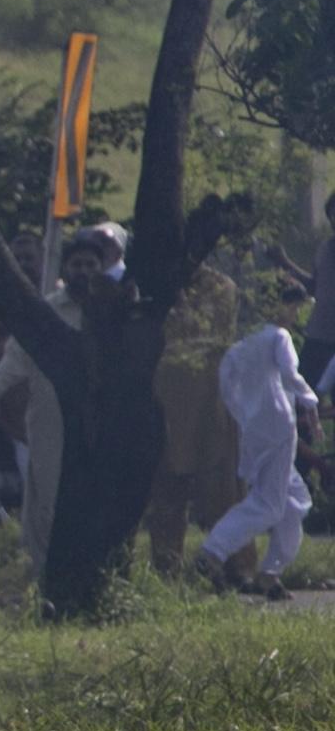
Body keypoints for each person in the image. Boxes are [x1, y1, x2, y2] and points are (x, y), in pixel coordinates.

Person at [0, 237, 97, 572]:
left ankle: (92, 569)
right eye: (77, 265)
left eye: (90, 265)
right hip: (49, 417)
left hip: (100, 416)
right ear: (64, 270)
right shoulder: (45, 311)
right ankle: (48, 572)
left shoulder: (110, 311)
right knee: (48, 493)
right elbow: (14, 360)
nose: (84, 272)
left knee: (95, 496)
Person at [198, 303, 321, 597]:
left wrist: (245, 416)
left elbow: (227, 390)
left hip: (254, 428)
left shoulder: (238, 348)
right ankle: (213, 551)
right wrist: (311, 403)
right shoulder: (279, 336)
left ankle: (271, 573)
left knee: (295, 499)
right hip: (280, 424)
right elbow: (290, 373)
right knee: (269, 502)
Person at [147, 243, 247, 578]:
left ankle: (236, 571)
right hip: (163, 400)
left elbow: (204, 335)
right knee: (166, 491)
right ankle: (166, 571)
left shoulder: (221, 288)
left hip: (209, 401)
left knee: (222, 490)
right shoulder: (151, 285)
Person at [300, 193, 335, 383]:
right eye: (333, 214)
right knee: (303, 390)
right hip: (319, 333)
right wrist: (284, 263)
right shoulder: (324, 248)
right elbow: (314, 286)